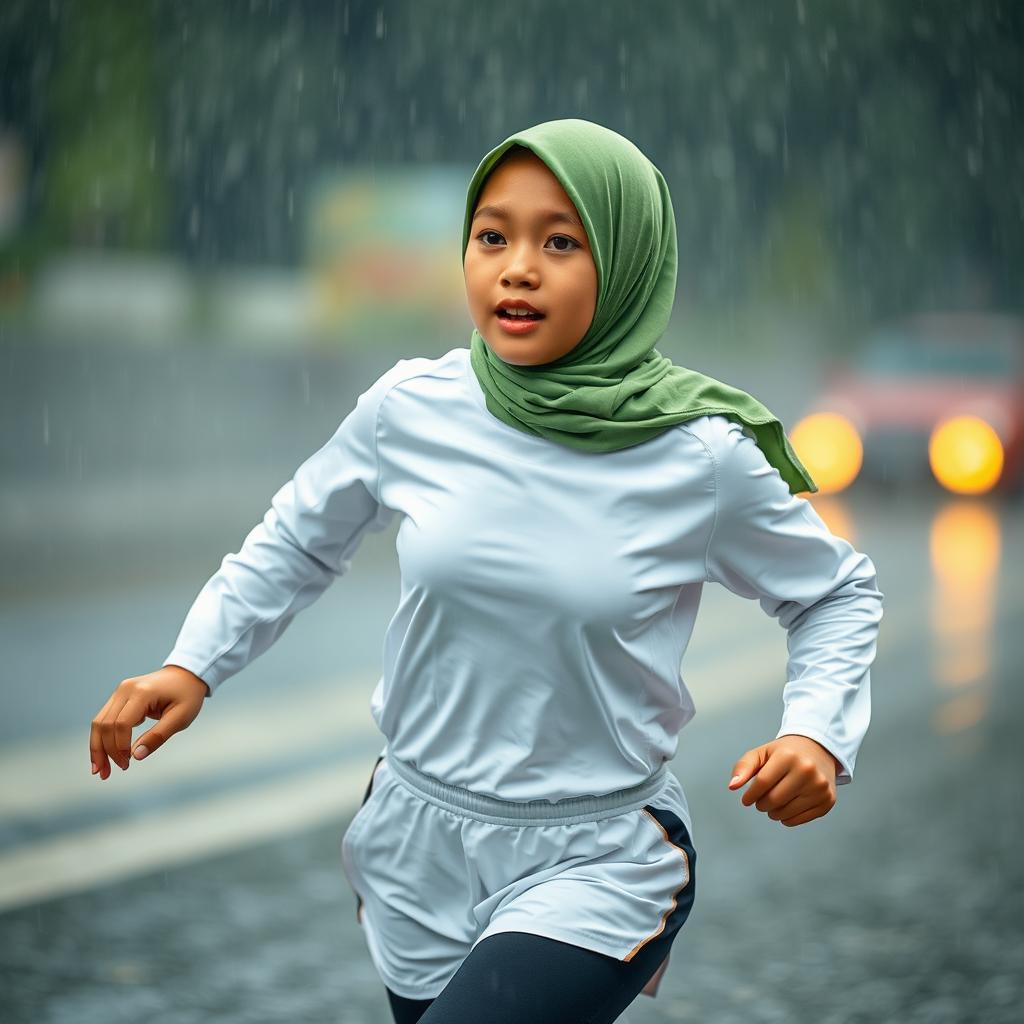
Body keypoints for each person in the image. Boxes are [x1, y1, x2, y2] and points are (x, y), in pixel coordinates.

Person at [88, 118, 883, 1024]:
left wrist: (816, 733)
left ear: (625, 261)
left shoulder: (696, 454)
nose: (517, 267)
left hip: (600, 858)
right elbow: (298, 539)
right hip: (414, 843)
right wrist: (194, 663)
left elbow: (833, 591)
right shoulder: (410, 407)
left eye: (561, 242)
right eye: (492, 236)